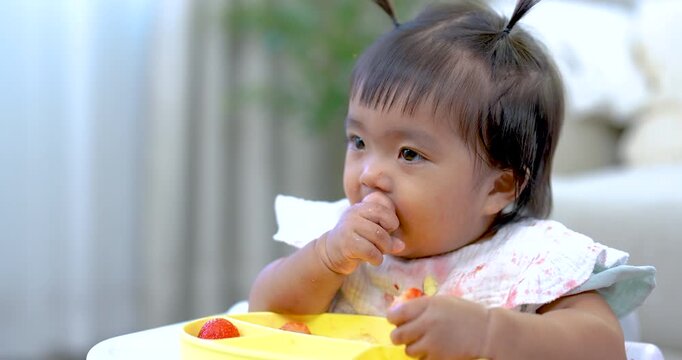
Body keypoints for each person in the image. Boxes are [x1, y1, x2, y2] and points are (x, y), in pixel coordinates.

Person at [249, 0, 656, 358]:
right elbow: (262, 311)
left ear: (498, 187)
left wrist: (489, 333)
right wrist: (326, 258)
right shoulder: (341, 241)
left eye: (409, 154)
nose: (370, 173)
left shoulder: (527, 259)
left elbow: (604, 345)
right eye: (358, 141)